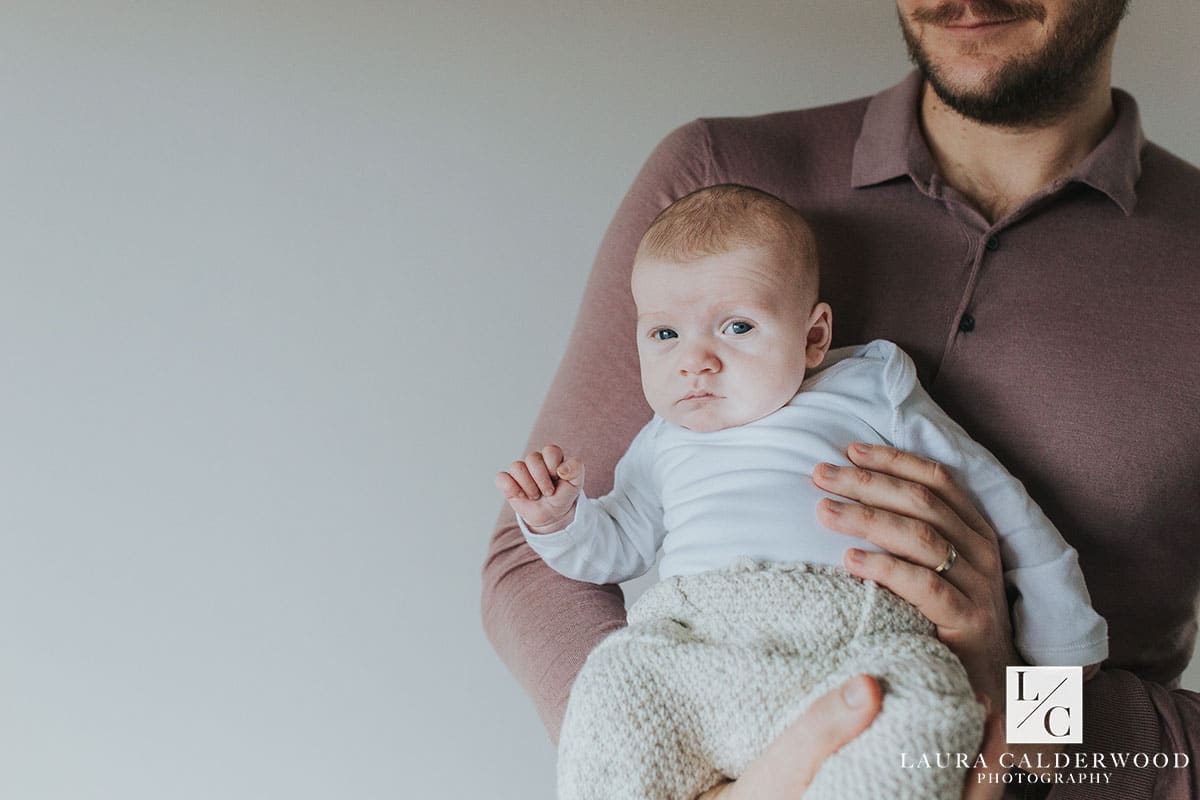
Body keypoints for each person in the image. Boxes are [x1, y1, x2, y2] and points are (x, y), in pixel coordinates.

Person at [482, 2, 1200, 798]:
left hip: (897, 685)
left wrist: (1027, 734)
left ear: (818, 334)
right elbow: (539, 563)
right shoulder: (715, 180)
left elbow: (1057, 703)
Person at [495, 184, 1107, 800]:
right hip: (699, 657)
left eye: (736, 326)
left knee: (934, 702)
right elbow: (613, 548)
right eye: (664, 335)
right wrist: (557, 517)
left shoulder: (872, 393)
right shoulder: (663, 440)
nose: (695, 361)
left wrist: (1055, 700)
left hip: (858, 650)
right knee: (612, 680)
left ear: (814, 338)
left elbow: (1019, 531)